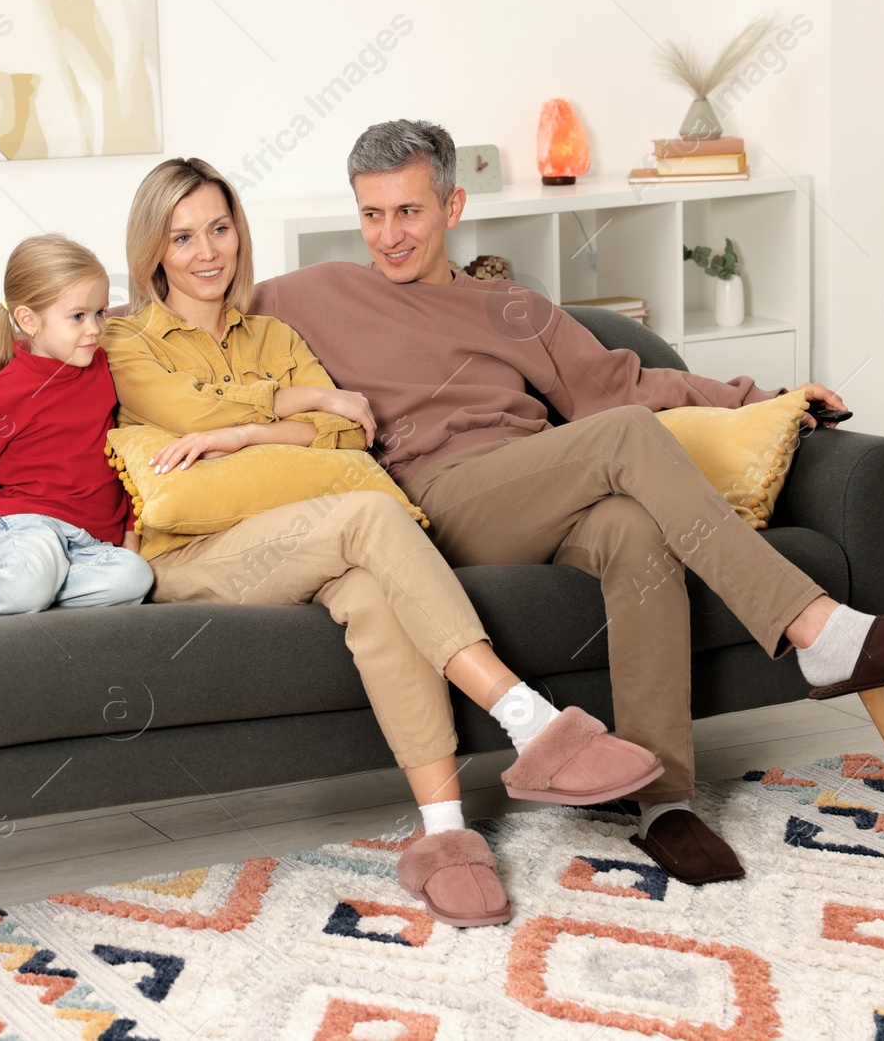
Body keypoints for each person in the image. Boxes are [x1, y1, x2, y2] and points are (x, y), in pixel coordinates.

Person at [249, 119, 884, 886]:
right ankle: (813, 625)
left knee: (634, 530)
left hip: (540, 480)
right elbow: (185, 316)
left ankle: (664, 802)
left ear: (452, 208)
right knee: (621, 441)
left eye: (409, 212)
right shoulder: (314, 294)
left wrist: (765, 400)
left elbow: (627, 385)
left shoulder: (514, 306)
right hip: (440, 502)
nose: (389, 235)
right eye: (372, 214)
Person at [102, 157, 668, 928]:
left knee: (371, 588)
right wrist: (288, 406)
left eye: (220, 228)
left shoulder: (273, 332)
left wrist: (262, 424)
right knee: (374, 514)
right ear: (153, 251)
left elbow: (347, 433)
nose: (207, 253)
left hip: (306, 535)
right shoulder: (128, 338)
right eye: (183, 237)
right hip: (196, 554)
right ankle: (532, 722)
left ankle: (445, 836)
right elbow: (184, 408)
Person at [0, 234, 153, 623]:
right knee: (32, 580)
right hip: (30, 526)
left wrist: (129, 530)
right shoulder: (2, 395)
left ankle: (18, 593)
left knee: (134, 577)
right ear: (28, 320)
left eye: (100, 313)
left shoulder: (104, 366)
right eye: (78, 317)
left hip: (90, 542)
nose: (95, 329)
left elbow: (121, 458)